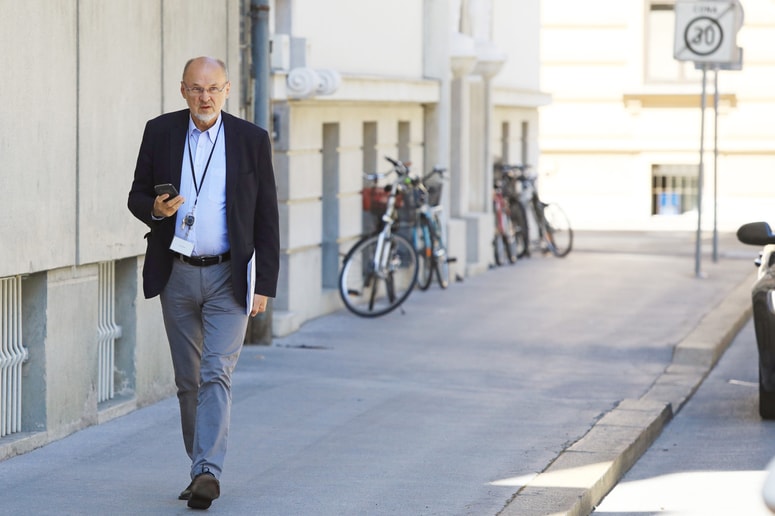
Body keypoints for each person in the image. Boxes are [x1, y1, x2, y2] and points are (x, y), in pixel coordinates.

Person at [127, 56, 279, 510]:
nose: (204, 97)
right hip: (175, 272)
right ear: (183, 91)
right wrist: (156, 210)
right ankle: (200, 468)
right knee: (188, 380)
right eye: (196, 89)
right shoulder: (161, 131)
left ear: (227, 90)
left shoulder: (252, 140)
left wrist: (264, 283)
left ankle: (207, 472)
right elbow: (136, 193)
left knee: (216, 373)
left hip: (229, 274)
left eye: (213, 89)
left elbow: (267, 215)